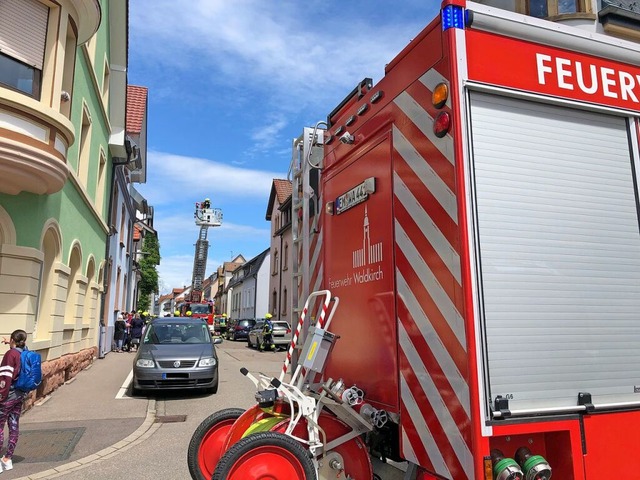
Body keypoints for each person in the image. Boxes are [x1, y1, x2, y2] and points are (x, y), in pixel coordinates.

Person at [0, 329, 29, 471]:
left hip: (7, 396)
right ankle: (7, 459)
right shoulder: (25, 352)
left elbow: (5, 377)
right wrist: (10, 344)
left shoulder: (10, 354)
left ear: (12, 339)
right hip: (19, 396)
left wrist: (1, 396)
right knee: (13, 426)